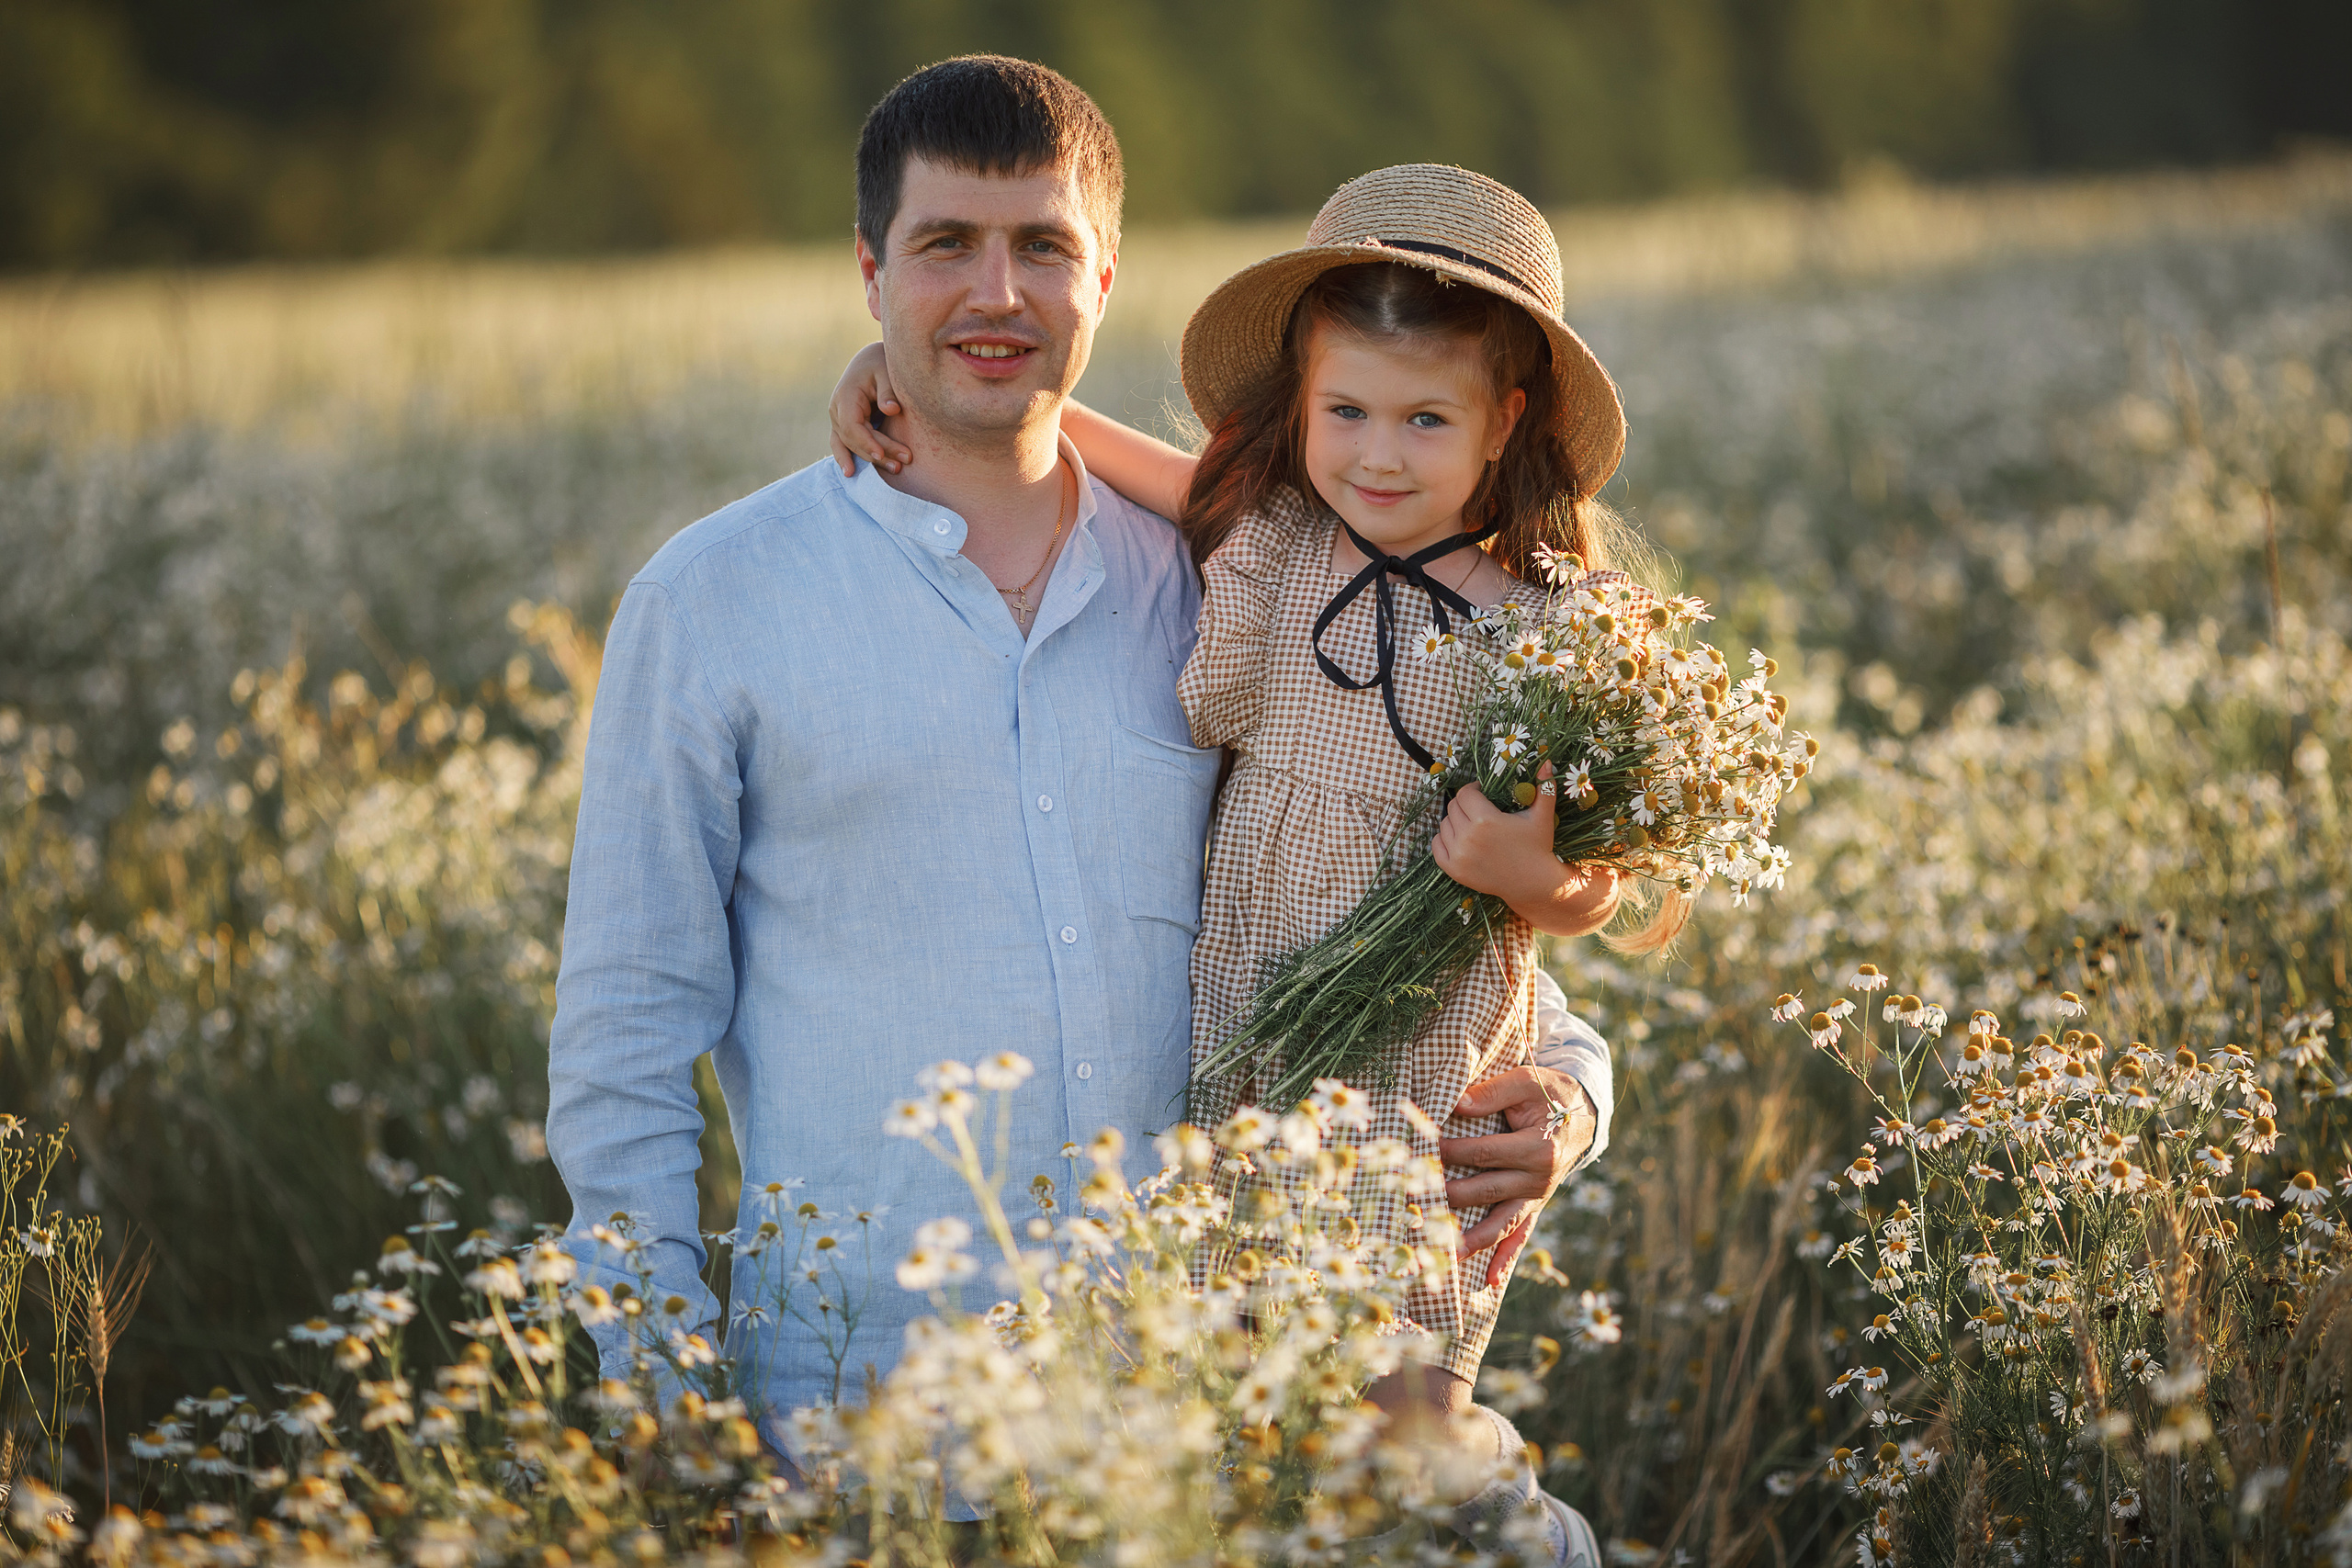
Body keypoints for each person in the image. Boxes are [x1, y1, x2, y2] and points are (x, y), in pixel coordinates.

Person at [551, 57, 1609, 1549]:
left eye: (1041, 247)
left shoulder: (1235, 594)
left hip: (1200, 1425)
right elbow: (624, 1037)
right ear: (868, 273)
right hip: (865, 1433)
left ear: (1101, 277)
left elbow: (1388, 894)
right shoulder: (718, 603)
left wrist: (1570, 1098)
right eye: (944, 248)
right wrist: (667, 1406)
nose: (997, 292)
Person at [831, 162, 1638, 1565]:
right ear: (1301, 405)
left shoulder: (1555, 632)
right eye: (1346, 414)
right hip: (1249, 1028)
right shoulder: (1272, 542)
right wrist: (900, 371)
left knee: (1402, 1416)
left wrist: (1526, 875)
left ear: (1507, 424)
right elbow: (1065, 435)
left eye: (1425, 419)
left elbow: (1615, 892)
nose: (1377, 455)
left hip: (1409, 1052)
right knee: (1231, 1397)